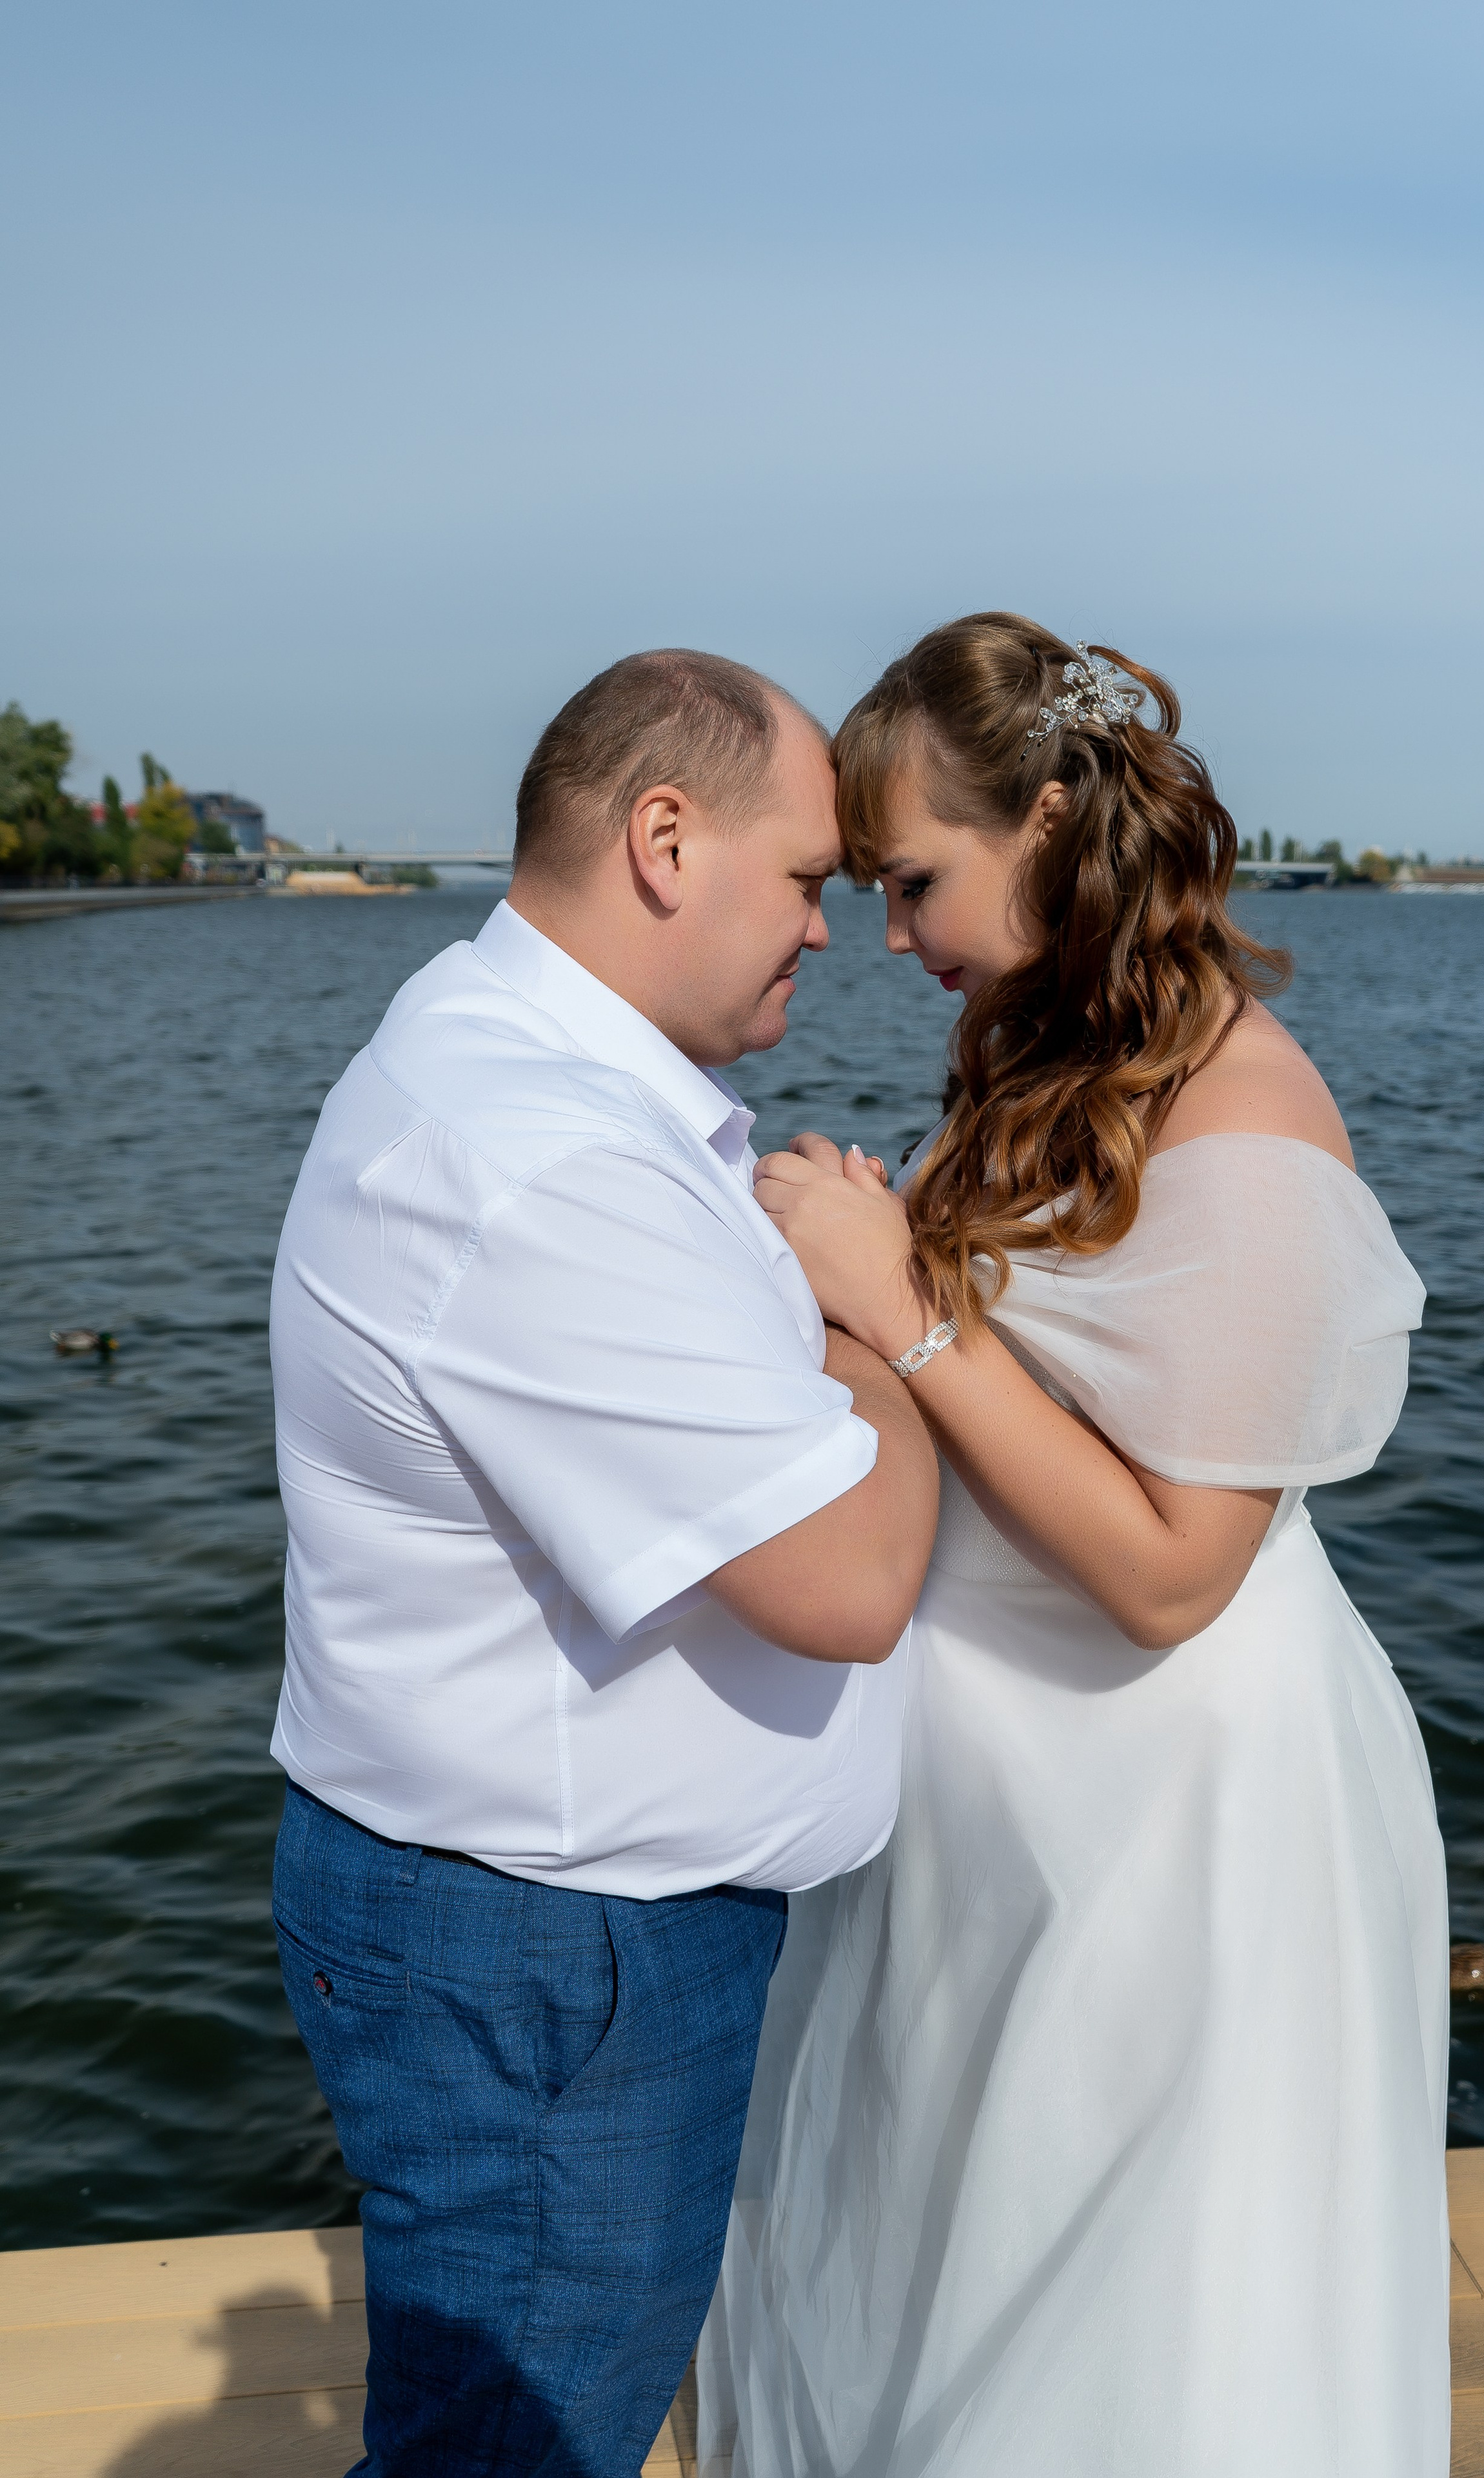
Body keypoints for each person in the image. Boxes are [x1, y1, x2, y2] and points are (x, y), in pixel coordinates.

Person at [701, 614, 1450, 2477]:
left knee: (1138, 2347)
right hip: (1002, 1813)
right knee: (967, 2276)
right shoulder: (1019, 1038)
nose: (889, 935)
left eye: (916, 880)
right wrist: (870, 1292)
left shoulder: (1245, 1106)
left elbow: (1176, 1566)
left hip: (1178, 1815)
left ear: (1047, 819)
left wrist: (905, 1304)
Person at [267, 648, 939, 2478]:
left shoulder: (523, 1073)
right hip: (554, 1954)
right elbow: (849, 1578)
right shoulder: (541, 1156)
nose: (829, 927)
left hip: (539, 1930)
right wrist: (884, 1320)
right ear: (664, 837)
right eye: (807, 875)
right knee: (521, 2450)